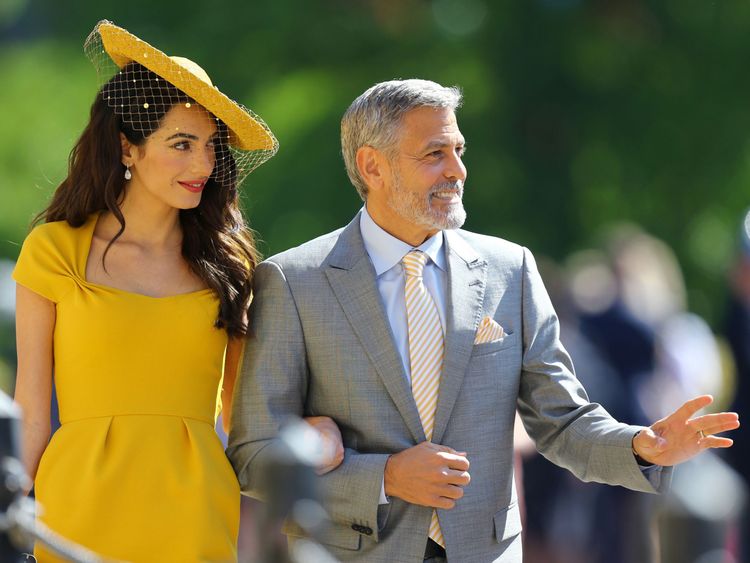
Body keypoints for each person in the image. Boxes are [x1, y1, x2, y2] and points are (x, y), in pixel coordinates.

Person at [226, 79, 740, 563]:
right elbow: (255, 456)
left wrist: (640, 445)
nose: (457, 169)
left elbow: (561, 421)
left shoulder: (510, 270)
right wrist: (385, 478)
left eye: (458, 150)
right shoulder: (293, 282)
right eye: (434, 153)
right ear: (372, 167)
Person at [12, 21, 341, 562]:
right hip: (75, 510)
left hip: (196, 514)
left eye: (210, 146)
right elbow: (30, 409)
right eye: (181, 144)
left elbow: (246, 417)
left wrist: (315, 441)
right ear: (128, 148)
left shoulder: (229, 269)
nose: (202, 165)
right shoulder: (54, 251)